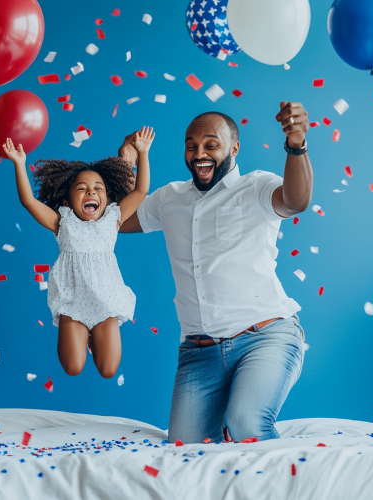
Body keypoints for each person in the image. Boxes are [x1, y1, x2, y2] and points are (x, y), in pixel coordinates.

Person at [118, 102, 313, 443]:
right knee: (186, 447)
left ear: (234, 148)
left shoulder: (256, 186)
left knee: (247, 426)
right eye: (191, 146)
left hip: (264, 337)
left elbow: (295, 201)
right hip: (199, 353)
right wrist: (124, 164)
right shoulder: (168, 198)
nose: (199, 154)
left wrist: (296, 146)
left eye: (211, 144)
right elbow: (113, 222)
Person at [3, 126, 155, 379]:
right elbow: (29, 201)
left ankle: (96, 336)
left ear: (107, 199)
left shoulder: (113, 218)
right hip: (73, 302)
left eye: (98, 188)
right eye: (82, 188)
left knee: (108, 370)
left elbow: (140, 191)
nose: (91, 192)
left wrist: (143, 153)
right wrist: (19, 164)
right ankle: (83, 334)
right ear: (67, 201)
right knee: (73, 368)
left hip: (105, 302)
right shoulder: (62, 222)